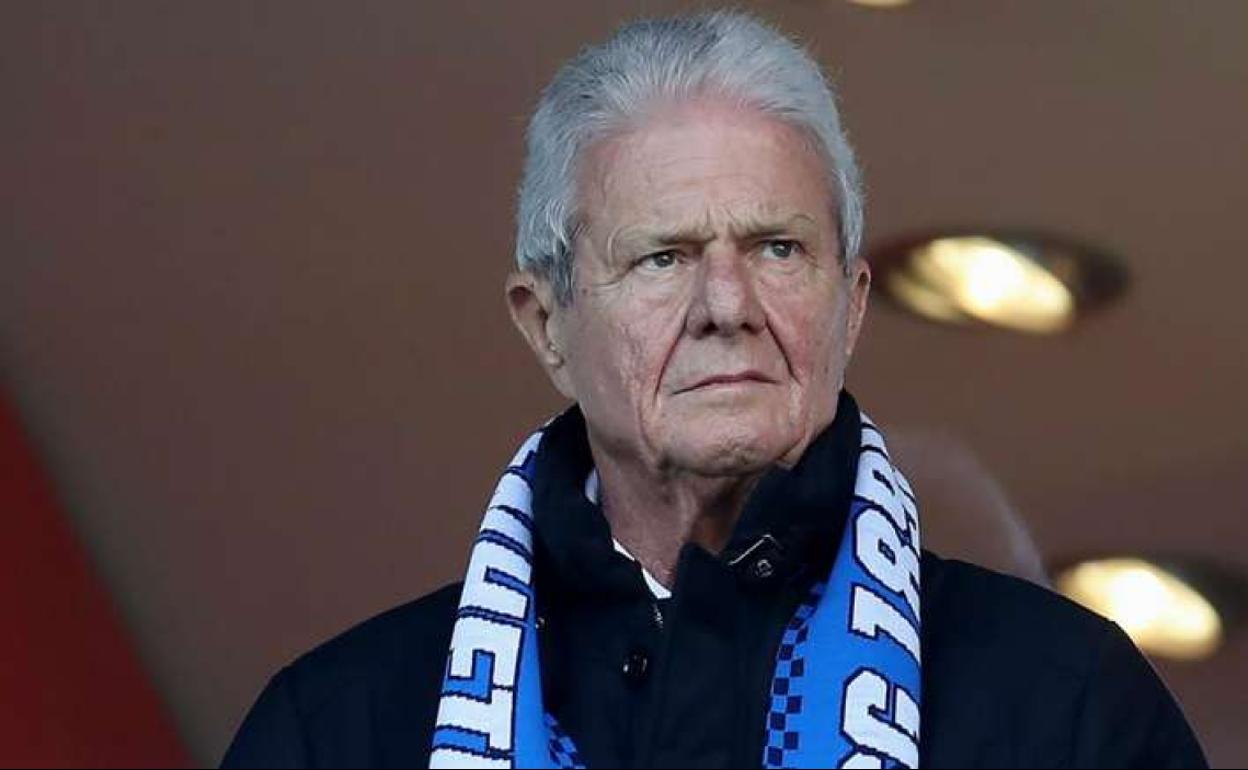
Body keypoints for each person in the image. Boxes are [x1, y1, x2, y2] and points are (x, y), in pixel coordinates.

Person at [222, 11, 1206, 769]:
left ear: (851, 306)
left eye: (778, 248)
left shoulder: (1067, 704)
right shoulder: (342, 728)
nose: (727, 305)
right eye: (663, 257)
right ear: (546, 323)